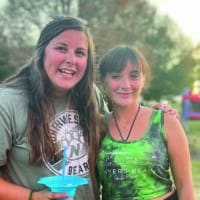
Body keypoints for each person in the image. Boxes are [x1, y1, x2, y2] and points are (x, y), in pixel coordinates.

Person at [0, 15, 107, 200]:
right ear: (41, 52)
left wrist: (156, 116)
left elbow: (121, 134)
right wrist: (32, 196)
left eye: (80, 52)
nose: (71, 59)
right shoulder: (8, 102)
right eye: (61, 48)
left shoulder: (91, 95)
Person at [95, 45, 195, 200]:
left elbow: (185, 186)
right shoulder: (97, 127)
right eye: (116, 76)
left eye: (133, 76)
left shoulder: (165, 122)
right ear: (103, 82)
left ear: (144, 79)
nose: (126, 85)